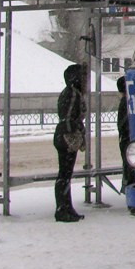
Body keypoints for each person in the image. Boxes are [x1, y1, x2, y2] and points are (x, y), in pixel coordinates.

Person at [53, 63, 86, 223]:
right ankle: (63, 209)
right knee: (65, 175)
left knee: (65, 175)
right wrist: (75, 131)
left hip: (63, 135)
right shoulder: (73, 94)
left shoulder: (68, 92)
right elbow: (69, 117)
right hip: (66, 136)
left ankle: (66, 207)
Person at [116, 76, 135, 196]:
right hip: (127, 138)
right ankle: (129, 189)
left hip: (125, 139)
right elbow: (125, 124)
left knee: (128, 167)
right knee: (130, 168)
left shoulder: (125, 101)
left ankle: (127, 186)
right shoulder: (127, 102)